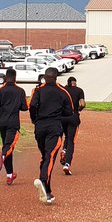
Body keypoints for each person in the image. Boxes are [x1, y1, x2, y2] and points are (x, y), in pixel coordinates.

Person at [28, 67, 74, 204]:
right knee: (50, 156)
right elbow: (70, 111)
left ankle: (47, 191)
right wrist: (58, 114)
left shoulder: (38, 91)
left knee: (46, 156)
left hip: (39, 127)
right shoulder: (62, 92)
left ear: (45, 77)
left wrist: (34, 119)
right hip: (54, 127)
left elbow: (32, 106)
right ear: (56, 77)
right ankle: (42, 181)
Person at [0, 67, 28, 185]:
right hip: (13, 123)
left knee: (7, 146)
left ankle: (9, 175)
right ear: (15, 78)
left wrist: (0, 111)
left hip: (2, 122)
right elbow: (25, 107)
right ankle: (2, 155)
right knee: (8, 146)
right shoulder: (20, 91)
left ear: (6, 77)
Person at [61, 76, 86, 175]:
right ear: (75, 83)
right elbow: (83, 104)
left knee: (66, 135)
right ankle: (67, 164)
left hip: (62, 117)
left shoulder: (62, 90)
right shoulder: (79, 90)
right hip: (73, 117)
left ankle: (63, 150)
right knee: (71, 140)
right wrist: (78, 110)